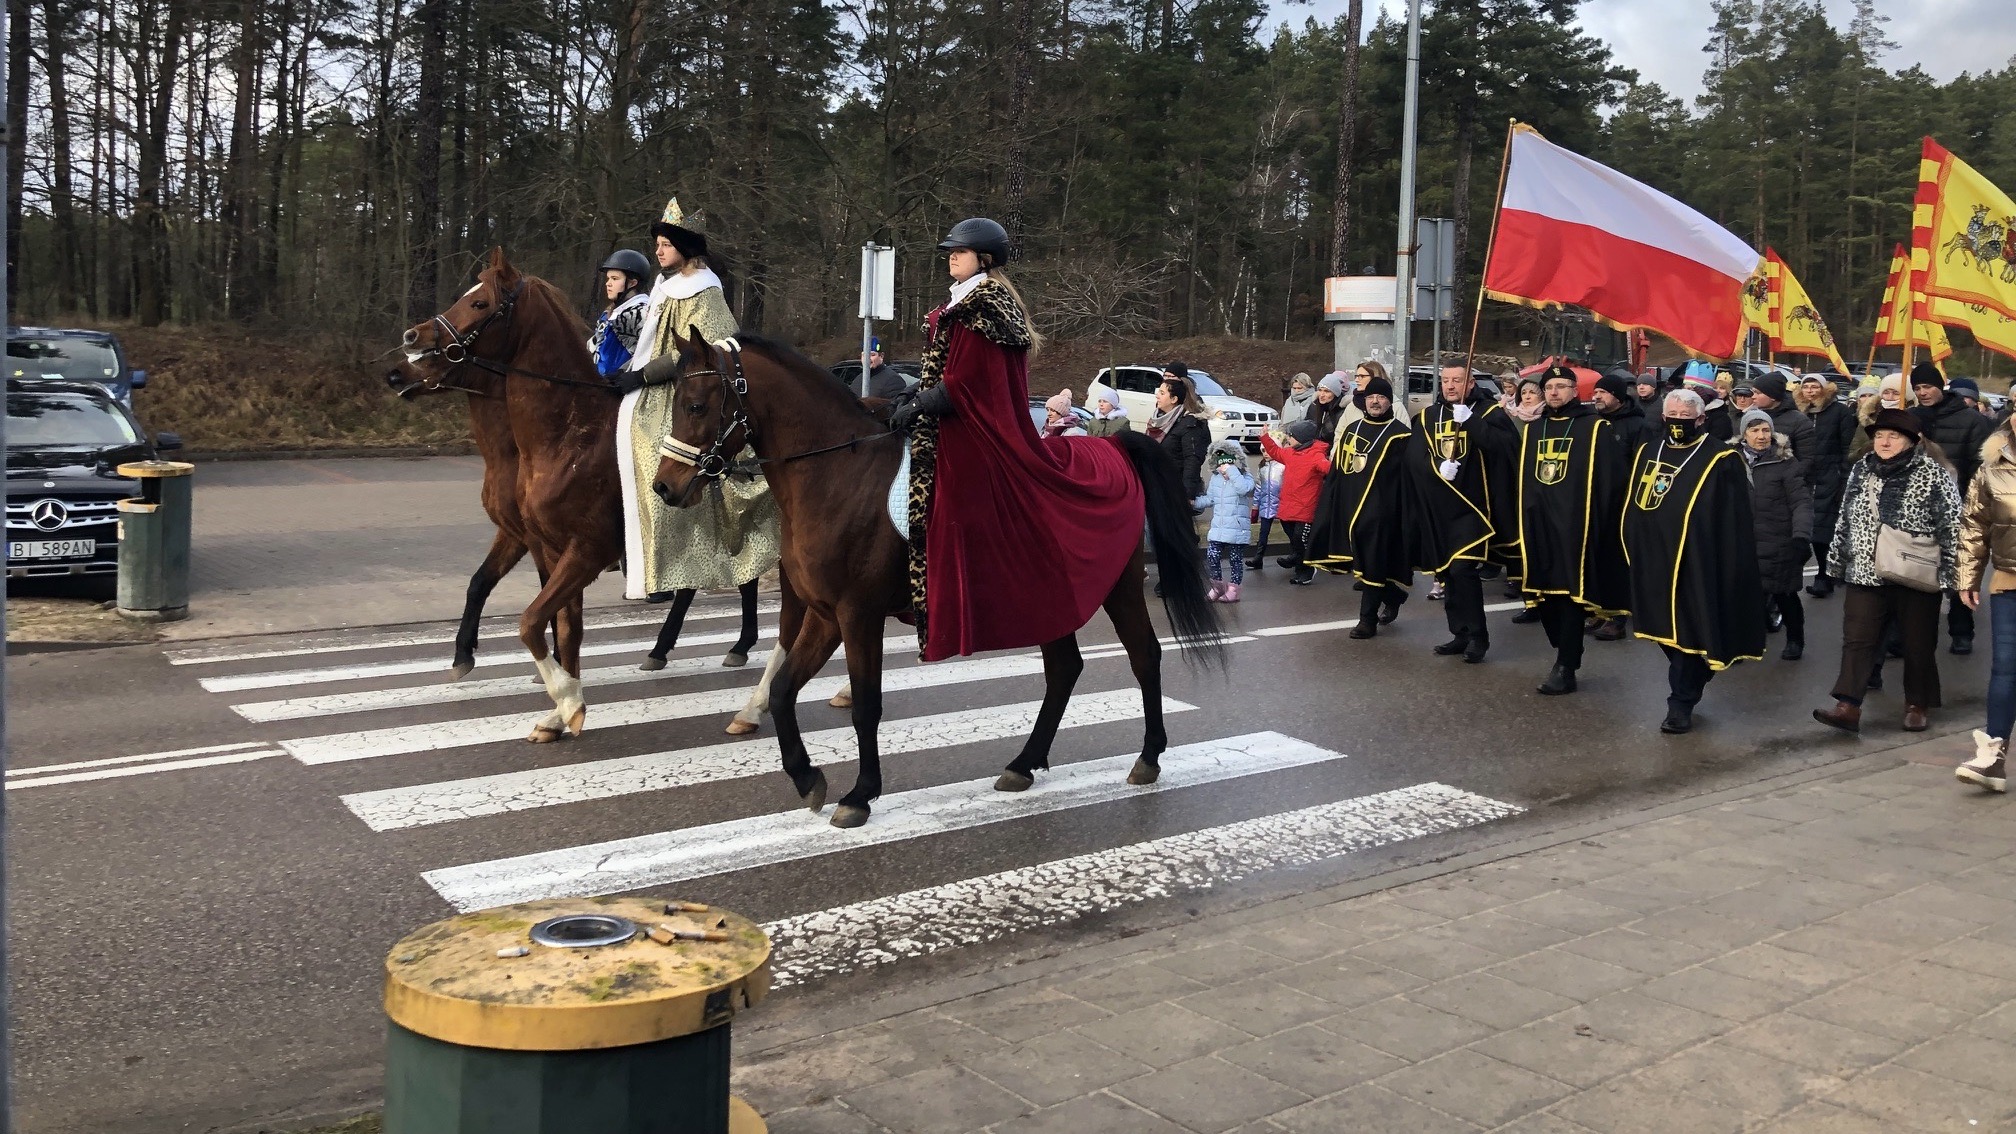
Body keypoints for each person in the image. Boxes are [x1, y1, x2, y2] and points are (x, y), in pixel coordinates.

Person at [888, 217, 1144, 661]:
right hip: (946, 424)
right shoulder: (959, 303)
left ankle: (966, 593)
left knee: (956, 504)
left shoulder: (987, 306)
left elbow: (970, 383)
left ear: (984, 258)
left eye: (960, 251)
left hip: (978, 433)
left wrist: (923, 402)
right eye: (951, 251)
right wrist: (911, 394)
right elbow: (944, 373)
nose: (952, 257)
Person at [616, 199, 778, 633]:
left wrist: (644, 375)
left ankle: (669, 557)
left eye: (666, 245)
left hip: (681, 393)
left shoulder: (706, 291)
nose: (658, 251)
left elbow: (708, 350)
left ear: (685, 249)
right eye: (657, 244)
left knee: (656, 455)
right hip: (650, 384)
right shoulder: (665, 288)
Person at [1624, 389, 1767, 733]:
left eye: (1685, 417)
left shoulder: (1721, 457)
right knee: (1660, 629)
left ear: (1701, 419)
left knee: (1687, 629)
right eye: (1672, 415)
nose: (1678, 422)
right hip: (1654, 556)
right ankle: (1698, 672)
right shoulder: (1649, 450)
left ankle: (1681, 703)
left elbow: (1734, 518)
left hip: (1696, 560)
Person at [1813, 407, 1962, 734]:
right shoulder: (1861, 469)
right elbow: (1845, 516)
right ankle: (1848, 706)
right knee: (1857, 640)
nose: (1884, 442)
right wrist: (1837, 561)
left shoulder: (1932, 474)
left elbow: (1952, 526)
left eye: (1893, 436)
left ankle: (1917, 704)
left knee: (1917, 643)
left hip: (1915, 572)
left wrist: (1952, 576)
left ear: (1912, 441)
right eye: (1880, 435)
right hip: (1865, 572)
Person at [1519, 366, 1631, 694]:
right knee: (1544, 598)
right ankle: (1565, 650)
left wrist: (1601, 525)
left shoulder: (1594, 428)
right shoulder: (1533, 430)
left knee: (1569, 596)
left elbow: (1612, 481)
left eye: (1561, 386)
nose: (1554, 392)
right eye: (1549, 387)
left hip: (1576, 528)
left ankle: (1566, 665)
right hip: (1539, 526)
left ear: (1574, 390)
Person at [1411, 363, 1521, 663]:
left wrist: (1472, 422)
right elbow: (1414, 457)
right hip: (1441, 507)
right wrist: (1436, 467)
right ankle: (1459, 633)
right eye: (1445, 380)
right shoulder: (1428, 417)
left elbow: (1507, 448)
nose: (1450, 386)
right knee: (1447, 572)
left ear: (1470, 383)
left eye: (1457, 380)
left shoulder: (1488, 413)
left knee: (1463, 570)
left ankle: (1478, 636)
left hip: (1475, 508)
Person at [1306, 374, 1414, 635]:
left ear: (1389, 402)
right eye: (1371, 397)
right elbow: (1339, 472)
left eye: (1381, 397)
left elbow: (1407, 480)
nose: (1375, 402)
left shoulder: (1401, 435)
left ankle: (1367, 620)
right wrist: (1330, 504)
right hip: (1350, 506)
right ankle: (1394, 595)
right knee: (1359, 563)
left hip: (1381, 512)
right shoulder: (1352, 430)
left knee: (1373, 561)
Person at [1913, 362, 1994, 654]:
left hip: (1958, 508)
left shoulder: (1971, 421)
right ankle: (1905, 634)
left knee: (1957, 571)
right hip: (1916, 510)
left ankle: (1961, 631)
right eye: (1917, 388)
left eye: (1927, 386)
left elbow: (1980, 468)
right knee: (1914, 571)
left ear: (1940, 387)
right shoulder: (1912, 417)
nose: (1922, 392)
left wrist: (1969, 505)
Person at [1956, 412, 2016, 790]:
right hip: (2010, 582)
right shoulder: (1991, 469)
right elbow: (1974, 525)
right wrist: (1968, 577)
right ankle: (1993, 757)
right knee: (2006, 668)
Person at [1736, 408, 1814, 660]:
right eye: (1754, 430)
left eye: (1766, 430)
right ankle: (1743, 643)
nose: (1761, 436)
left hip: (1779, 540)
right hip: (1743, 541)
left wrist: (1801, 535)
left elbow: (1801, 501)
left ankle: (1795, 639)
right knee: (1743, 596)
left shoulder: (1785, 462)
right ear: (1744, 433)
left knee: (1784, 593)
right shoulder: (1730, 461)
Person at [1802, 374, 1857, 599]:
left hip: (1831, 476)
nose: (1810, 391)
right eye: (1806, 387)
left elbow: (1847, 447)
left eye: (1815, 387)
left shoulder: (1840, 412)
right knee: (1811, 529)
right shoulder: (1800, 413)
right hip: (1806, 478)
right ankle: (1827, 573)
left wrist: (1843, 476)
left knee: (1825, 530)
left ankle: (1825, 575)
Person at [1262, 419, 1330, 585]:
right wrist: (1265, 437)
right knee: (1293, 536)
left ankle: (1305, 569)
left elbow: (1328, 468)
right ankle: (1297, 559)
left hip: (1306, 507)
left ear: (1301, 438)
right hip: (1289, 505)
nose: (1288, 438)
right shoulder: (1290, 453)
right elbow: (1275, 452)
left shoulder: (1316, 455)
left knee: (1300, 538)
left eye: (1291, 436)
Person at [1194, 438, 1255, 602]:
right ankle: (1217, 587)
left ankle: (1234, 590)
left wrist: (1232, 471)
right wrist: (1193, 502)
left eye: (1226, 461)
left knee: (1235, 559)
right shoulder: (1216, 478)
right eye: (1219, 461)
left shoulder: (1245, 476)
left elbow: (1243, 489)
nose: (1222, 466)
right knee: (1212, 556)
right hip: (1218, 528)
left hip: (1237, 528)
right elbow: (1210, 499)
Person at [1148, 370, 1211, 502]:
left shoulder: (1190, 424)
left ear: (1174, 399)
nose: (1157, 396)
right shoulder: (1158, 421)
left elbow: (1192, 460)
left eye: (1162, 393)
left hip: (1176, 489)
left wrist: (1187, 495)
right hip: (1156, 485)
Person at [588, 248, 652, 376]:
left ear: (632, 283)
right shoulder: (609, 314)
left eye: (614, 278)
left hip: (624, 385)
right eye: (608, 279)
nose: (608, 284)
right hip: (597, 383)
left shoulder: (641, 314)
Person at [1748, 374, 1816, 473]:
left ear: (1772, 396)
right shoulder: (1750, 417)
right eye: (1753, 392)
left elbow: (1806, 459)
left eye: (1758, 393)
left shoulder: (1799, 421)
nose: (1753, 397)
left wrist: (1788, 477)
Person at [1591, 372, 1653, 456]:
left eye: (1603, 392)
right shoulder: (1592, 420)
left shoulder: (1637, 425)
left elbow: (1643, 457)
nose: (1597, 396)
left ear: (1618, 397)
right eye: (1595, 392)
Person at [1248, 454, 1283, 572]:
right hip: (1266, 506)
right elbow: (1259, 487)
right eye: (1263, 450)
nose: (1265, 453)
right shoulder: (1262, 467)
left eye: (1268, 450)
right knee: (1263, 533)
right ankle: (1258, 558)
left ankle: (1297, 556)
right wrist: (1255, 507)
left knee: (1290, 531)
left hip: (1281, 505)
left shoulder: (1283, 465)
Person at [1309, 373, 1349, 445]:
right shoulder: (1314, 407)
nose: (1322, 395)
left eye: (1326, 391)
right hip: (1315, 447)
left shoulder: (1342, 411)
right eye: (1320, 390)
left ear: (1335, 393)